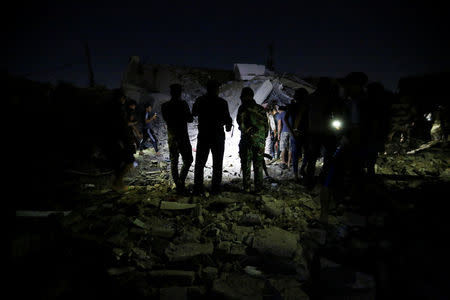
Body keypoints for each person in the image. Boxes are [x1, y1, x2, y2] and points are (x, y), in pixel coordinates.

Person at [192, 79, 232, 195]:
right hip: (218, 136)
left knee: (200, 163)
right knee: (217, 164)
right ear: (216, 90)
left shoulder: (200, 100)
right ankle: (215, 188)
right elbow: (227, 119)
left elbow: (193, 113)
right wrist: (228, 126)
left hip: (204, 135)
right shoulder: (222, 102)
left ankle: (198, 188)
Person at [161, 84, 194, 194]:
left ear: (171, 93)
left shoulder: (165, 106)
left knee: (174, 161)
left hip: (172, 137)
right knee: (188, 160)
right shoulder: (183, 104)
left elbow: (167, 119)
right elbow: (190, 119)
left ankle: (178, 183)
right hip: (183, 137)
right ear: (180, 92)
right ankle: (181, 181)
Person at [237, 87, 269, 193]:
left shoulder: (243, 107)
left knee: (246, 164)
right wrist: (262, 138)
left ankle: (246, 188)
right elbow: (266, 126)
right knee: (258, 165)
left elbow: (241, 125)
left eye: (242, 96)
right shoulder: (261, 109)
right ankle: (258, 188)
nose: (240, 98)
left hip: (248, 141)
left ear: (246, 96)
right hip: (260, 142)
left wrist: (246, 131)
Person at [104, 90, 136, 193]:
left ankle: (116, 183)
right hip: (120, 140)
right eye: (123, 98)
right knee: (129, 161)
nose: (124, 100)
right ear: (120, 98)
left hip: (117, 140)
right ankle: (117, 183)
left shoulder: (113, 109)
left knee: (120, 162)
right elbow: (122, 126)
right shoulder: (118, 110)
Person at [285, 88, 309, 181]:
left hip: (300, 133)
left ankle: (298, 172)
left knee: (298, 154)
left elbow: (286, 119)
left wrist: (292, 131)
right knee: (300, 153)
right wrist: (292, 131)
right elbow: (286, 119)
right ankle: (298, 172)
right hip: (300, 133)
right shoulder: (296, 106)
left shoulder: (302, 106)